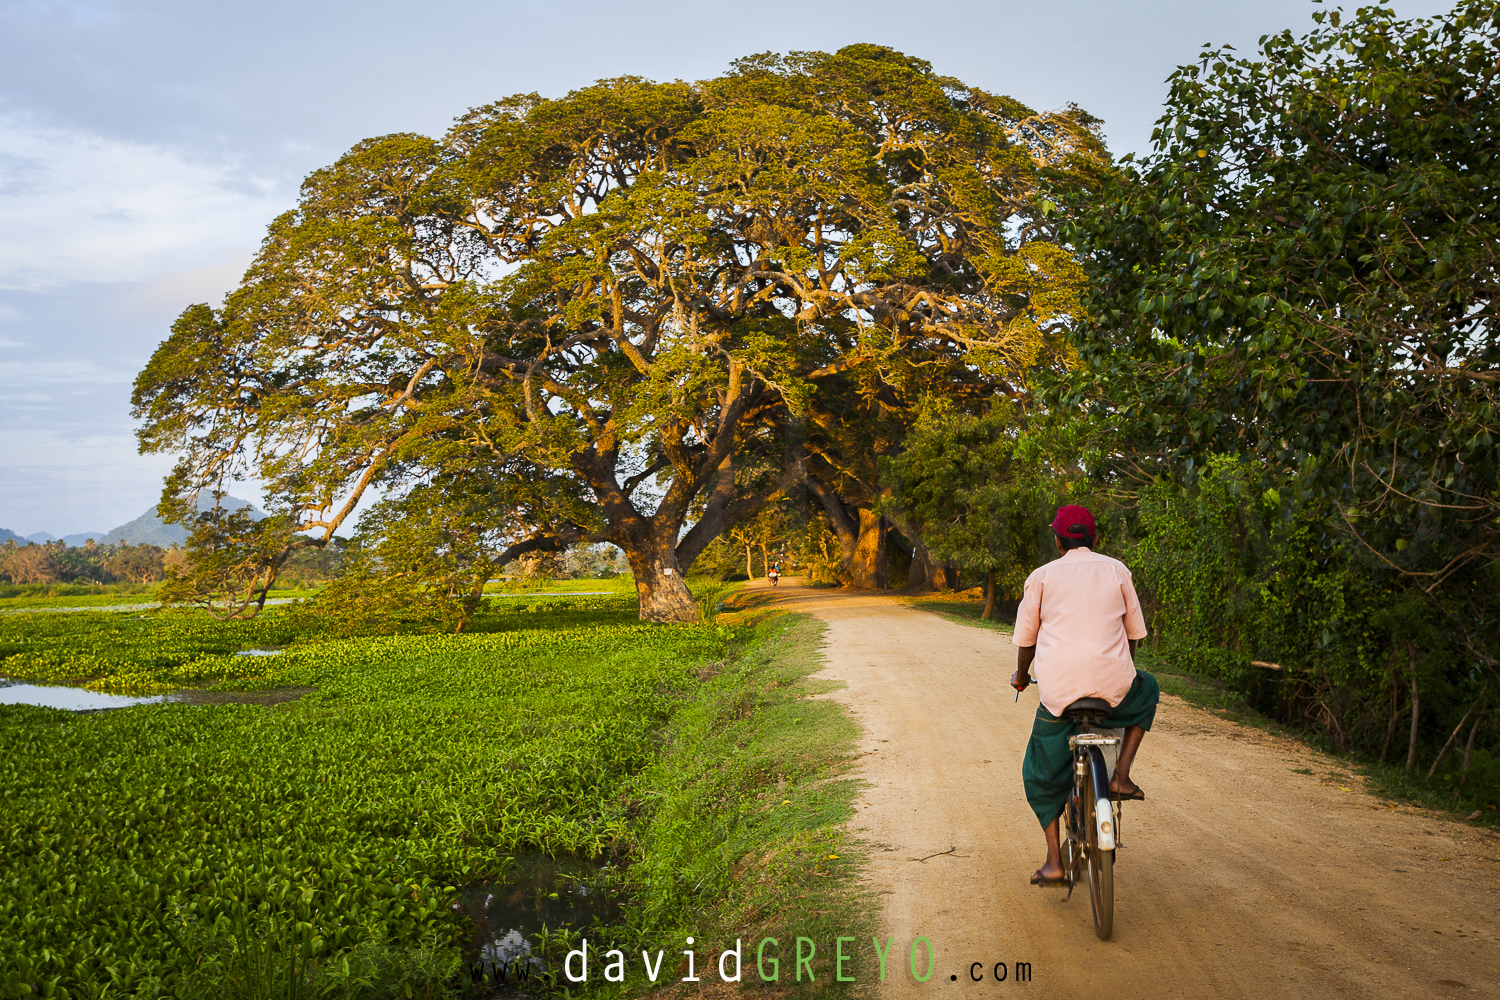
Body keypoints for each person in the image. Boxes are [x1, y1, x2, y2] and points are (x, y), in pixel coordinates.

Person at [1009, 504, 1158, 887]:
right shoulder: (1116, 570)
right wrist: (1121, 671)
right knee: (1149, 688)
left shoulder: (1041, 577)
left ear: (1058, 540)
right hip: (1115, 689)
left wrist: (1021, 676)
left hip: (1060, 693)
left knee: (1040, 771)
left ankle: (1054, 861)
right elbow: (1133, 635)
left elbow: (1027, 641)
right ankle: (1120, 776)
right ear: (1094, 539)